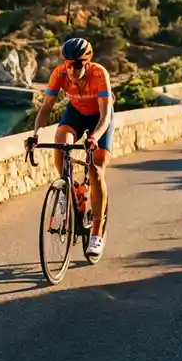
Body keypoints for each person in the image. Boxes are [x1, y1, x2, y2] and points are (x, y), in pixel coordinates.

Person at [26, 37, 113, 258]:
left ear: (86, 62)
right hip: (76, 114)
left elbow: (105, 116)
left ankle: (96, 233)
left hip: (99, 119)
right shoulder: (60, 74)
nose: (71, 69)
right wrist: (35, 134)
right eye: (68, 63)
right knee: (61, 142)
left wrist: (94, 137)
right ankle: (68, 188)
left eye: (76, 64)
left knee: (96, 170)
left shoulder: (99, 74)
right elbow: (46, 107)